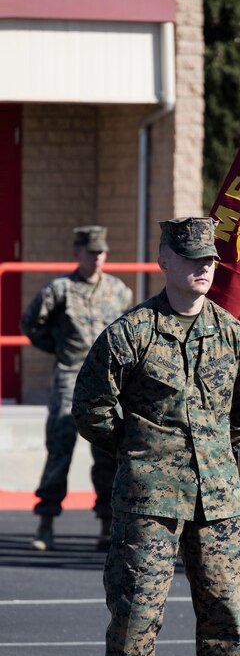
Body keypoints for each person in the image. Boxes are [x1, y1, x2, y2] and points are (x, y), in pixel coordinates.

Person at [72, 217, 240, 656]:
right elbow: (91, 407)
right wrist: (140, 454)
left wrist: (215, 455)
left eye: (209, 261)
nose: (202, 269)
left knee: (226, 612)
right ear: (164, 259)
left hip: (216, 502)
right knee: (136, 614)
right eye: (190, 259)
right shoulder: (131, 333)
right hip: (148, 503)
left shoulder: (235, 335)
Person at [20, 226, 133, 552]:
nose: (97, 258)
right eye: (91, 252)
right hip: (69, 376)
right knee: (60, 448)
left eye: (102, 252)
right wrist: (58, 349)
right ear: (77, 252)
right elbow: (31, 325)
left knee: (107, 453)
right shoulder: (59, 290)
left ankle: (106, 524)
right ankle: (46, 522)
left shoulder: (118, 290)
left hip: (106, 382)